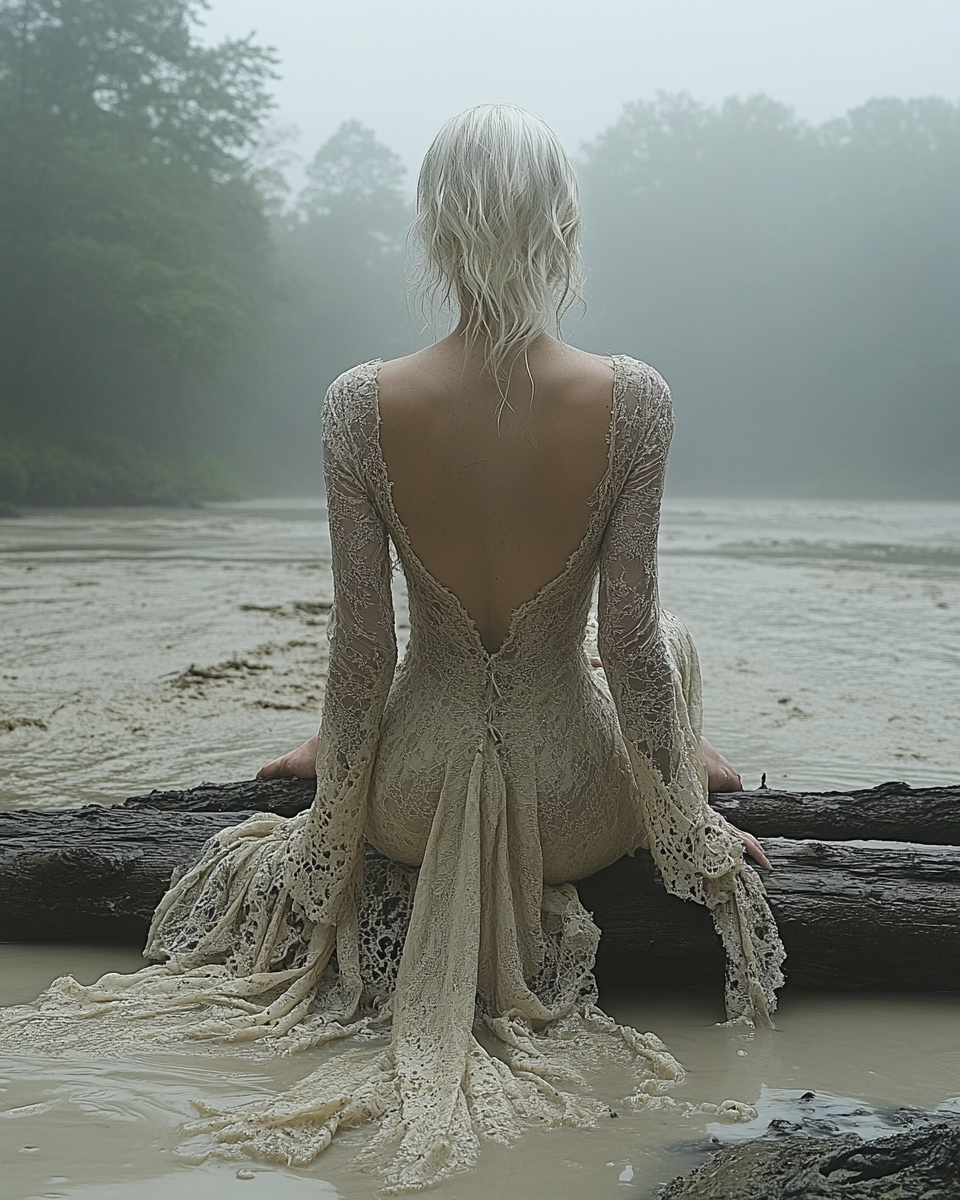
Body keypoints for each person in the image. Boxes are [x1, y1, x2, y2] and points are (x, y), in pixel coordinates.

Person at [0, 104, 784, 1193]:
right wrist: (688, 833)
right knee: (675, 643)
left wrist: (332, 798)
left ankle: (653, 761)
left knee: (452, 675)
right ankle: (683, 763)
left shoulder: (360, 405)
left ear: (437, 229)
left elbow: (364, 652)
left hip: (408, 802)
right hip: (569, 815)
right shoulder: (635, 401)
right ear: (559, 224)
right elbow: (631, 646)